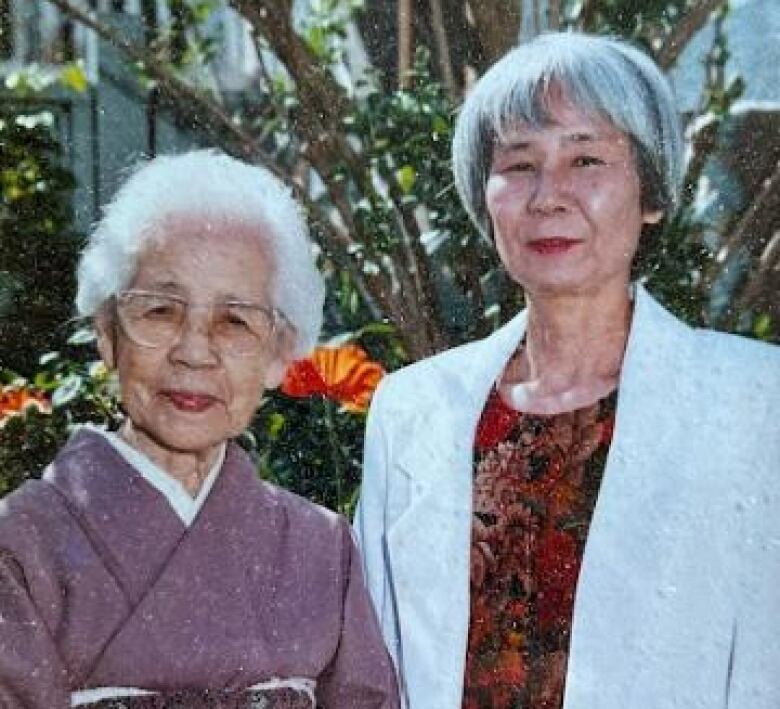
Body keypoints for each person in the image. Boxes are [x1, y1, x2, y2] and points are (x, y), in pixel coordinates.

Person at [354, 32, 780, 709]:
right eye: (518, 163)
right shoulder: (412, 410)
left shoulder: (753, 400)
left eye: (586, 158)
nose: (548, 195)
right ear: (483, 196)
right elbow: (375, 673)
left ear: (652, 194)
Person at [0, 150, 400, 709]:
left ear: (279, 353)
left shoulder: (321, 547)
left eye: (234, 321)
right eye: (160, 311)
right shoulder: (22, 542)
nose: (193, 352)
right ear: (107, 333)